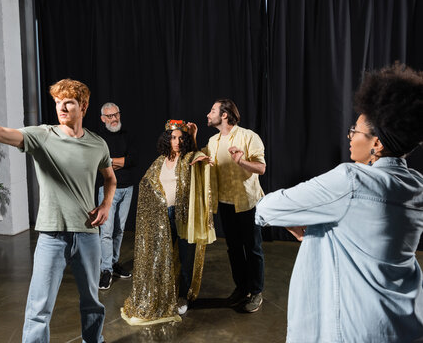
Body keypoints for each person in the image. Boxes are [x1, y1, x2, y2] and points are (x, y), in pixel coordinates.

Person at [0, 78, 116, 343]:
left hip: (88, 234)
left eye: (68, 103)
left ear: (83, 106)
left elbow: (110, 178)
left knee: (92, 303)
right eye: (57, 103)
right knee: (39, 309)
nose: (61, 108)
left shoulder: (98, 144)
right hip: (51, 236)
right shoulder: (42, 136)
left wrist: (106, 204)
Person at [255, 63, 423, 342]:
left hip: (357, 326)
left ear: (376, 144)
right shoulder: (416, 185)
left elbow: (266, 208)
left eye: (355, 131)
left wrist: (295, 221)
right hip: (405, 322)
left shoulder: (351, 181)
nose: (350, 137)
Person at [121, 120, 215, 325]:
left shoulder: (189, 157)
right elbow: (147, 183)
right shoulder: (160, 161)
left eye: (181, 138)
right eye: (173, 138)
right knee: (162, 257)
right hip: (163, 217)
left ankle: (183, 296)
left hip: (184, 217)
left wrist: (201, 157)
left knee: (186, 257)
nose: (177, 141)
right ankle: (163, 292)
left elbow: (198, 157)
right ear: (167, 139)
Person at [203, 99, 267, 313]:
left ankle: (256, 292)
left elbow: (261, 167)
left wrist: (241, 162)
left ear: (224, 115)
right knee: (234, 249)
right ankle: (242, 288)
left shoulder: (249, 137)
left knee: (253, 248)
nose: (208, 114)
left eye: (212, 110)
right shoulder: (212, 142)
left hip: (248, 203)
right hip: (225, 204)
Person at [97, 102, 137, 290]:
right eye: (110, 116)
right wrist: (120, 162)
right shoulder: (98, 139)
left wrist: (113, 161)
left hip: (127, 188)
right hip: (107, 189)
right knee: (106, 231)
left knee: (119, 230)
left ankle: (113, 263)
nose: (114, 119)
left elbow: (133, 159)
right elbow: (99, 163)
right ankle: (105, 269)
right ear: (103, 119)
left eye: (116, 115)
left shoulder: (128, 135)